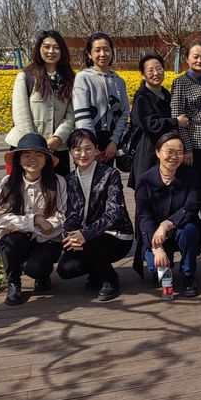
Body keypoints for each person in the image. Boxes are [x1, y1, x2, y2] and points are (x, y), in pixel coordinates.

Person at [57, 129, 134, 301]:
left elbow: (114, 213)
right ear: (70, 152)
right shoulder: (69, 180)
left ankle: (110, 279)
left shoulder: (110, 174)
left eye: (88, 149)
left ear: (96, 150)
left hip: (117, 235)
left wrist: (85, 234)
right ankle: (97, 270)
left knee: (92, 243)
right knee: (66, 269)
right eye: (77, 149)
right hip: (85, 237)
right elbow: (71, 215)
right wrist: (70, 237)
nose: (83, 154)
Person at [0, 133, 66, 306]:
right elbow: (0, 218)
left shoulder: (58, 182)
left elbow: (61, 218)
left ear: (46, 159)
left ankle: (42, 275)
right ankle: (13, 283)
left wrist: (23, 225)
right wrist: (35, 220)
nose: (33, 159)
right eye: (26, 155)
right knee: (11, 242)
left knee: (36, 267)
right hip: (17, 238)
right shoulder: (8, 183)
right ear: (18, 160)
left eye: (39, 155)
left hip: (46, 240)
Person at [135, 132, 201, 297]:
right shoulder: (145, 180)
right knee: (155, 264)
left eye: (179, 152)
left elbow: (192, 207)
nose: (174, 157)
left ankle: (188, 275)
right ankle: (163, 265)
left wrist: (167, 224)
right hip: (154, 233)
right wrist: (157, 249)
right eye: (169, 152)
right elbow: (144, 216)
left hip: (181, 227)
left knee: (189, 230)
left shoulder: (191, 176)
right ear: (158, 152)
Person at [6, 30, 75, 176]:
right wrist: (34, 144)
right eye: (46, 47)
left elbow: (71, 114)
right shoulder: (26, 76)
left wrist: (58, 138)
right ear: (39, 48)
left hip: (57, 148)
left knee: (58, 187)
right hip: (27, 148)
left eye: (56, 47)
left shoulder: (70, 78)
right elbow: (20, 114)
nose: (51, 51)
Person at [170, 41, 201, 232]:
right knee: (193, 189)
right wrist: (186, 148)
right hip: (193, 146)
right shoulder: (181, 82)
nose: (199, 60)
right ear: (187, 59)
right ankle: (192, 229)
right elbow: (177, 117)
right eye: (195, 56)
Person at [128, 53, 188, 189]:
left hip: (166, 151)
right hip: (148, 153)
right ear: (143, 75)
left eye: (159, 69)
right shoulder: (142, 98)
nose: (156, 73)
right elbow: (151, 125)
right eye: (150, 70)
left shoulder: (165, 94)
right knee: (149, 192)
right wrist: (176, 121)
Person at [72, 32, 129, 166]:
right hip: (87, 141)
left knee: (107, 177)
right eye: (97, 50)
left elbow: (124, 113)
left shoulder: (119, 81)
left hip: (110, 142)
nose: (102, 54)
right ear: (89, 54)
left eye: (106, 49)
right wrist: (91, 146)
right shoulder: (83, 78)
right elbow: (82, 115)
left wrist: (114, 142)